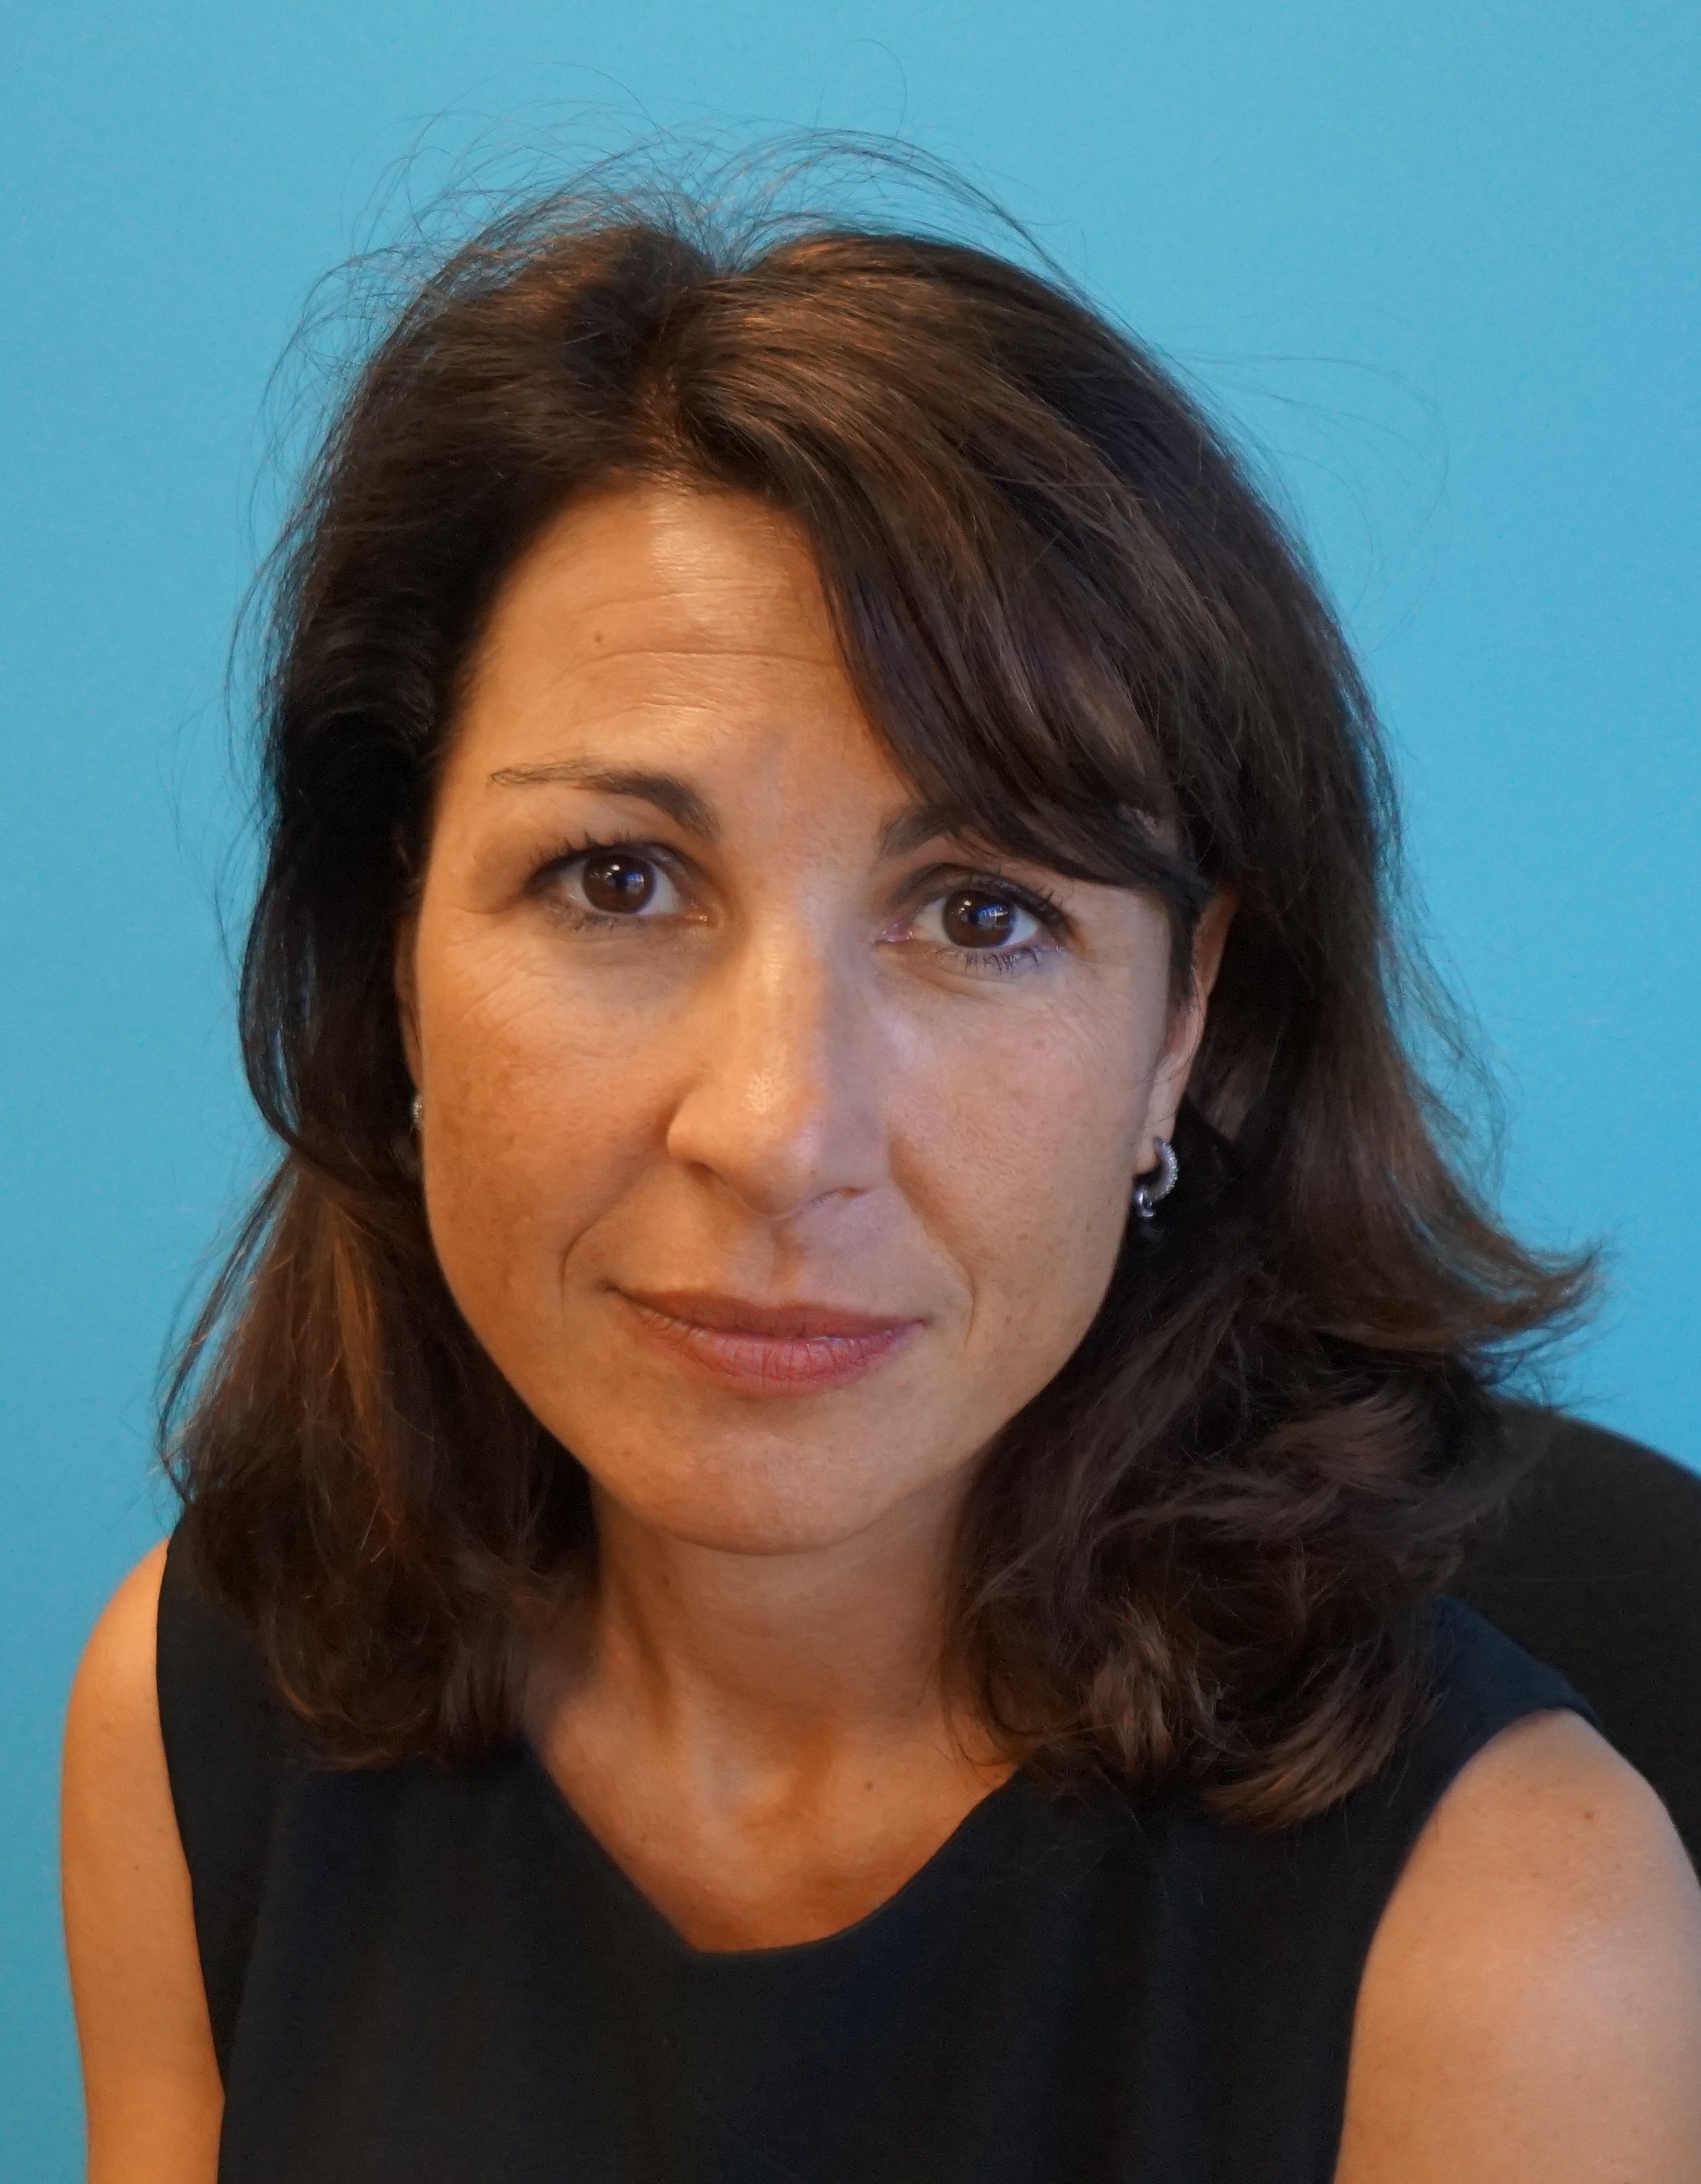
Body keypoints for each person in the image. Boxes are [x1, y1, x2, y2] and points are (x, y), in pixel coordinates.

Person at [61, 179, 1701, 2184]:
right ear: (394, 951)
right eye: (618, 880)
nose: (778, 1129)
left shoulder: (1514, 1938)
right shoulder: (196, 1711)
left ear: (1181, 1025)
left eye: (985, 914)